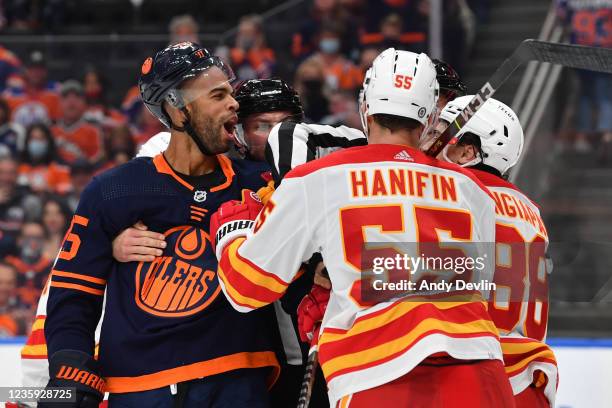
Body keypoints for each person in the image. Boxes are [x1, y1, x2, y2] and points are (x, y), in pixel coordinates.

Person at [210, 49, 513, 407]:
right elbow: (473, 282)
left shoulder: (318, 177)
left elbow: (246, 289)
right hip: (481, 373)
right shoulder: (470, 188)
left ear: (364, 107)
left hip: (379, 374)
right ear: (431, 116)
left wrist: (234, 229)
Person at [40, 42, 278, 408]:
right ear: (176, 109)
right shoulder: (112, 190)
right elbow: (73, 292)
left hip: (238, 377)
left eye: (231, 92)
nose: (234, 104)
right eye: (218, 95)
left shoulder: (260, 183)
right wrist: (70, 363)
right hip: (139, 387)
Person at [437, 95, 558, 408]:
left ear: (467, 152)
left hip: (475, 380)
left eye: (443, 134)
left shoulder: (455, 193)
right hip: (529, 383)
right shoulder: (532, 212)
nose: (432, 141)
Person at [18, 123, 72, 195]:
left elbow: (67, 188)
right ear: (27, 142)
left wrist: (50, 189)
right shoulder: (19, 166)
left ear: (48, 142)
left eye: (41, 139)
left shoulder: (60, 166)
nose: (36, 142)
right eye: (32, 138)